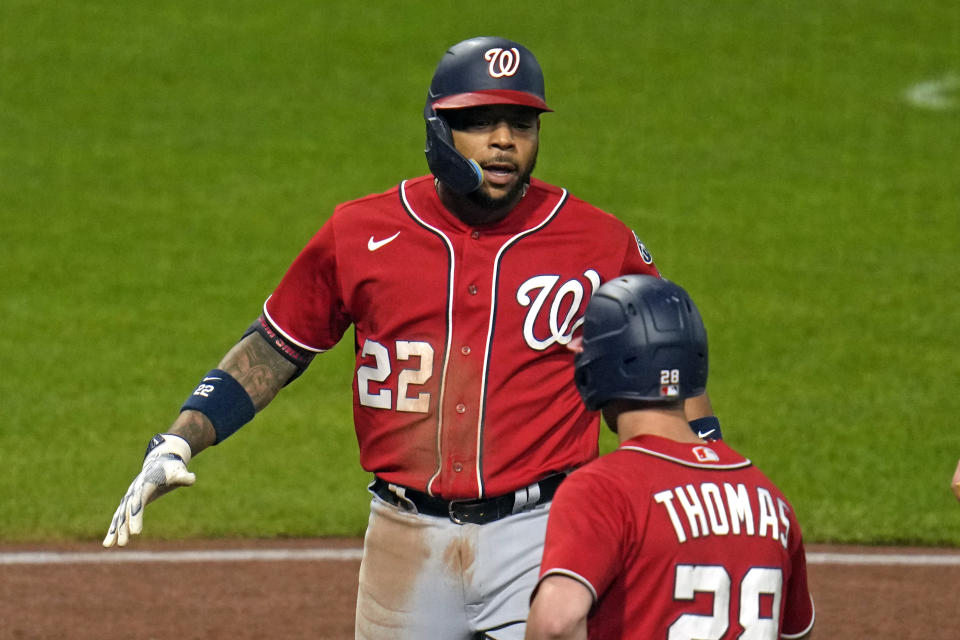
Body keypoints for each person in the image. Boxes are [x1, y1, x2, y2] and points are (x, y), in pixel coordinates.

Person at [103, 37, 719, 639]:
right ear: (437, 130)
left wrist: (711, 472)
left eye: (521, 124)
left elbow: (667, 370)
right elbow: (275, 346)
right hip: (404, 540)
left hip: (546, 533)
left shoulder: (598, 241)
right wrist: (180, 438)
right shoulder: (360, 230)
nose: (504, 140)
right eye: (479, 121)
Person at [525, 274, 814, 640]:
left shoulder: (603, 489)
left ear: (602, 366)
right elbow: (797, 632)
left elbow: (556, 623)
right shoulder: (770, 502)